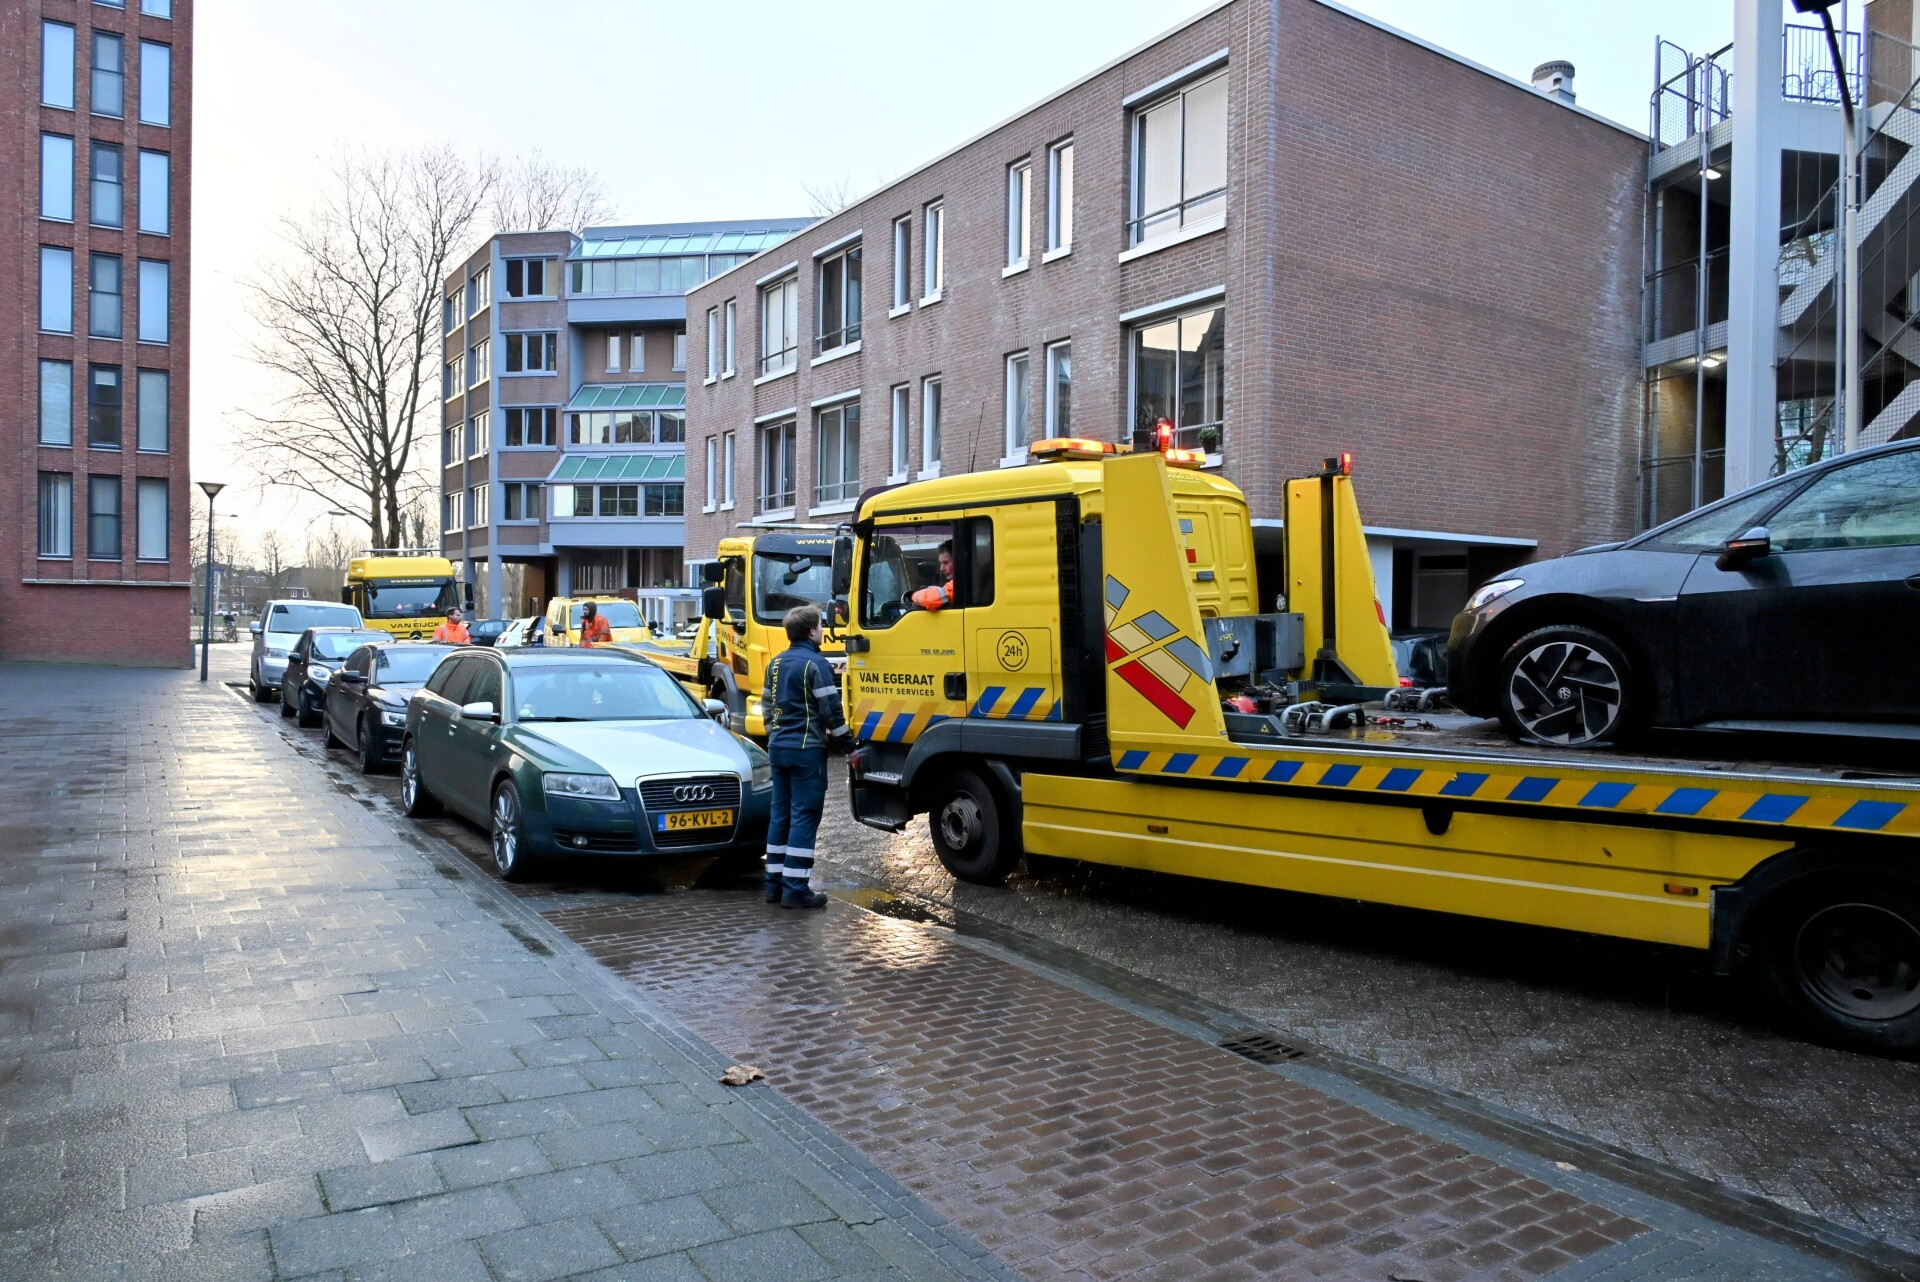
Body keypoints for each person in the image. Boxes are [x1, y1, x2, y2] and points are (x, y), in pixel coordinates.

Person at [762, 605, 851, 909]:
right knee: (804, 816)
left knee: (780, 815)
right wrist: (849, 746)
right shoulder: (816, 664)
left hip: (778, 749)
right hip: (805, 751)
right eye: (822, 625)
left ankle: (773, 886)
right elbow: (831, 711)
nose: (824, 630)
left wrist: (774, 735)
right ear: (812, 631)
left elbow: (766, 707)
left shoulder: (774, 664)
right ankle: (795, 888)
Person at [910, 541, 955, 611]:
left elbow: (931, 600)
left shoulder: (963, 583)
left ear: (959, 560)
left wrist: (913, 595)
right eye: (941, 563)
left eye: (946, 563)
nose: (941, 569)